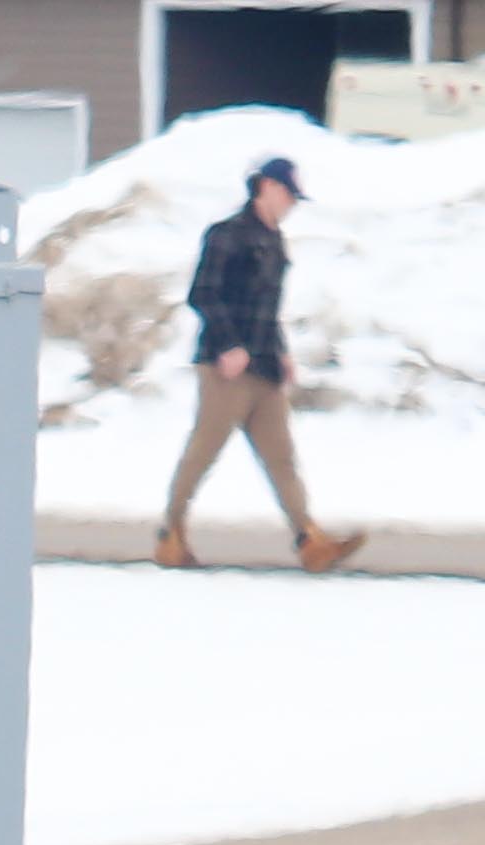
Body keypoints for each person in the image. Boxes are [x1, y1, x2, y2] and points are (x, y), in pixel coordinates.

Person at [159, 154, 363, 575]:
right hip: (226, 368)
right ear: (266, 187)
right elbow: (203, 294)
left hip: (264, 366)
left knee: (281, 456)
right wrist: (229, 345)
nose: (292, 204)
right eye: (289, 194)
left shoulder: (275, 241)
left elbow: (268, 309)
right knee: (204, 450)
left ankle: (310, 540)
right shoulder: (227, 234)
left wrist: (281, 351)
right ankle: (171, 534)